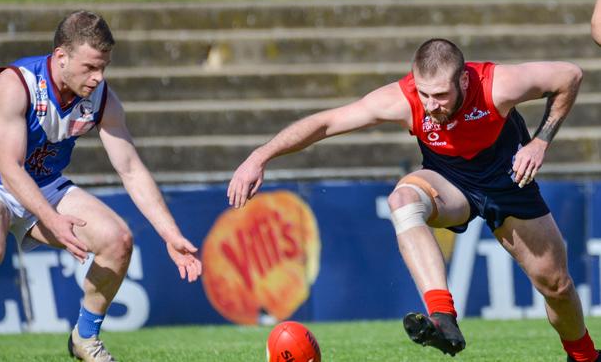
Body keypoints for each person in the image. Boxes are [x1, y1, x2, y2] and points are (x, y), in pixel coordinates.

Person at [227, 38, 599, 361]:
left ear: (464, 79)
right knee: (403, 199)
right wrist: (260, 156)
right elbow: (327, 123)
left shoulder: (496, 85)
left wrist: (540, 141)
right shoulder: (404, 99)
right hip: (449, 181)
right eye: (424, 94)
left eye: (441, 95)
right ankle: (442, 315)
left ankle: (583, 356)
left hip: (508, 182)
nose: (431, 105)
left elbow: (569, 76)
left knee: (557, 286)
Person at [0, 10, 201, 362]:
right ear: (61, 57)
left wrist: (170, 234)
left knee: (118, 241)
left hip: (45, 183)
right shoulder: (16, 82)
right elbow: (10, 169)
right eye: (90, 68)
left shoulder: (101, 98)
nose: (99, 78)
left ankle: (84, 339)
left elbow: (130, 168)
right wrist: (52, 221)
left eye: (104, 67)